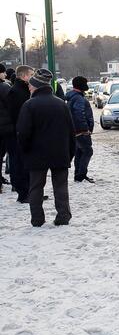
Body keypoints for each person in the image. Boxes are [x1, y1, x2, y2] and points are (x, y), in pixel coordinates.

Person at [17, 69, 75, 226]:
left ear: (36, 86)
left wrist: (25, 151)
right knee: (61, 187)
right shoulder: (61, 105)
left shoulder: (29, 105)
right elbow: (71, 131)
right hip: (60, 153)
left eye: (30, 85)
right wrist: (70, 153)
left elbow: (23, 133)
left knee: (35, 187)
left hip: (36, 155)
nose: (28, 87)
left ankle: (37, 219)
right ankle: (63, 216)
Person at [7, 65, 34, 203]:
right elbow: (17, 115)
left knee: (26, 163)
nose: (32, 77)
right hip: (18, 133)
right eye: (31, 74)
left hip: (22, 132)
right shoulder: (17, 92)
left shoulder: (22, 90)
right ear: (23, 76)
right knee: (20, 163)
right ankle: (24, 193)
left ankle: (30, 192)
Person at [66, 76, 95, 183]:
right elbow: (79, 114)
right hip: (81, 131)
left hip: (75, 131)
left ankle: (78, 175)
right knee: (87, 151)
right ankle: (81, 175)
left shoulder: (72, 97)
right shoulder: (78, 98)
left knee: (79, 152)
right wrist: (85, 129)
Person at [0, 64, 11, 191]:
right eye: (3, 72)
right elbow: (11, 105)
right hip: (5, 127)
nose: (5, 74)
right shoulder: (4, 87)